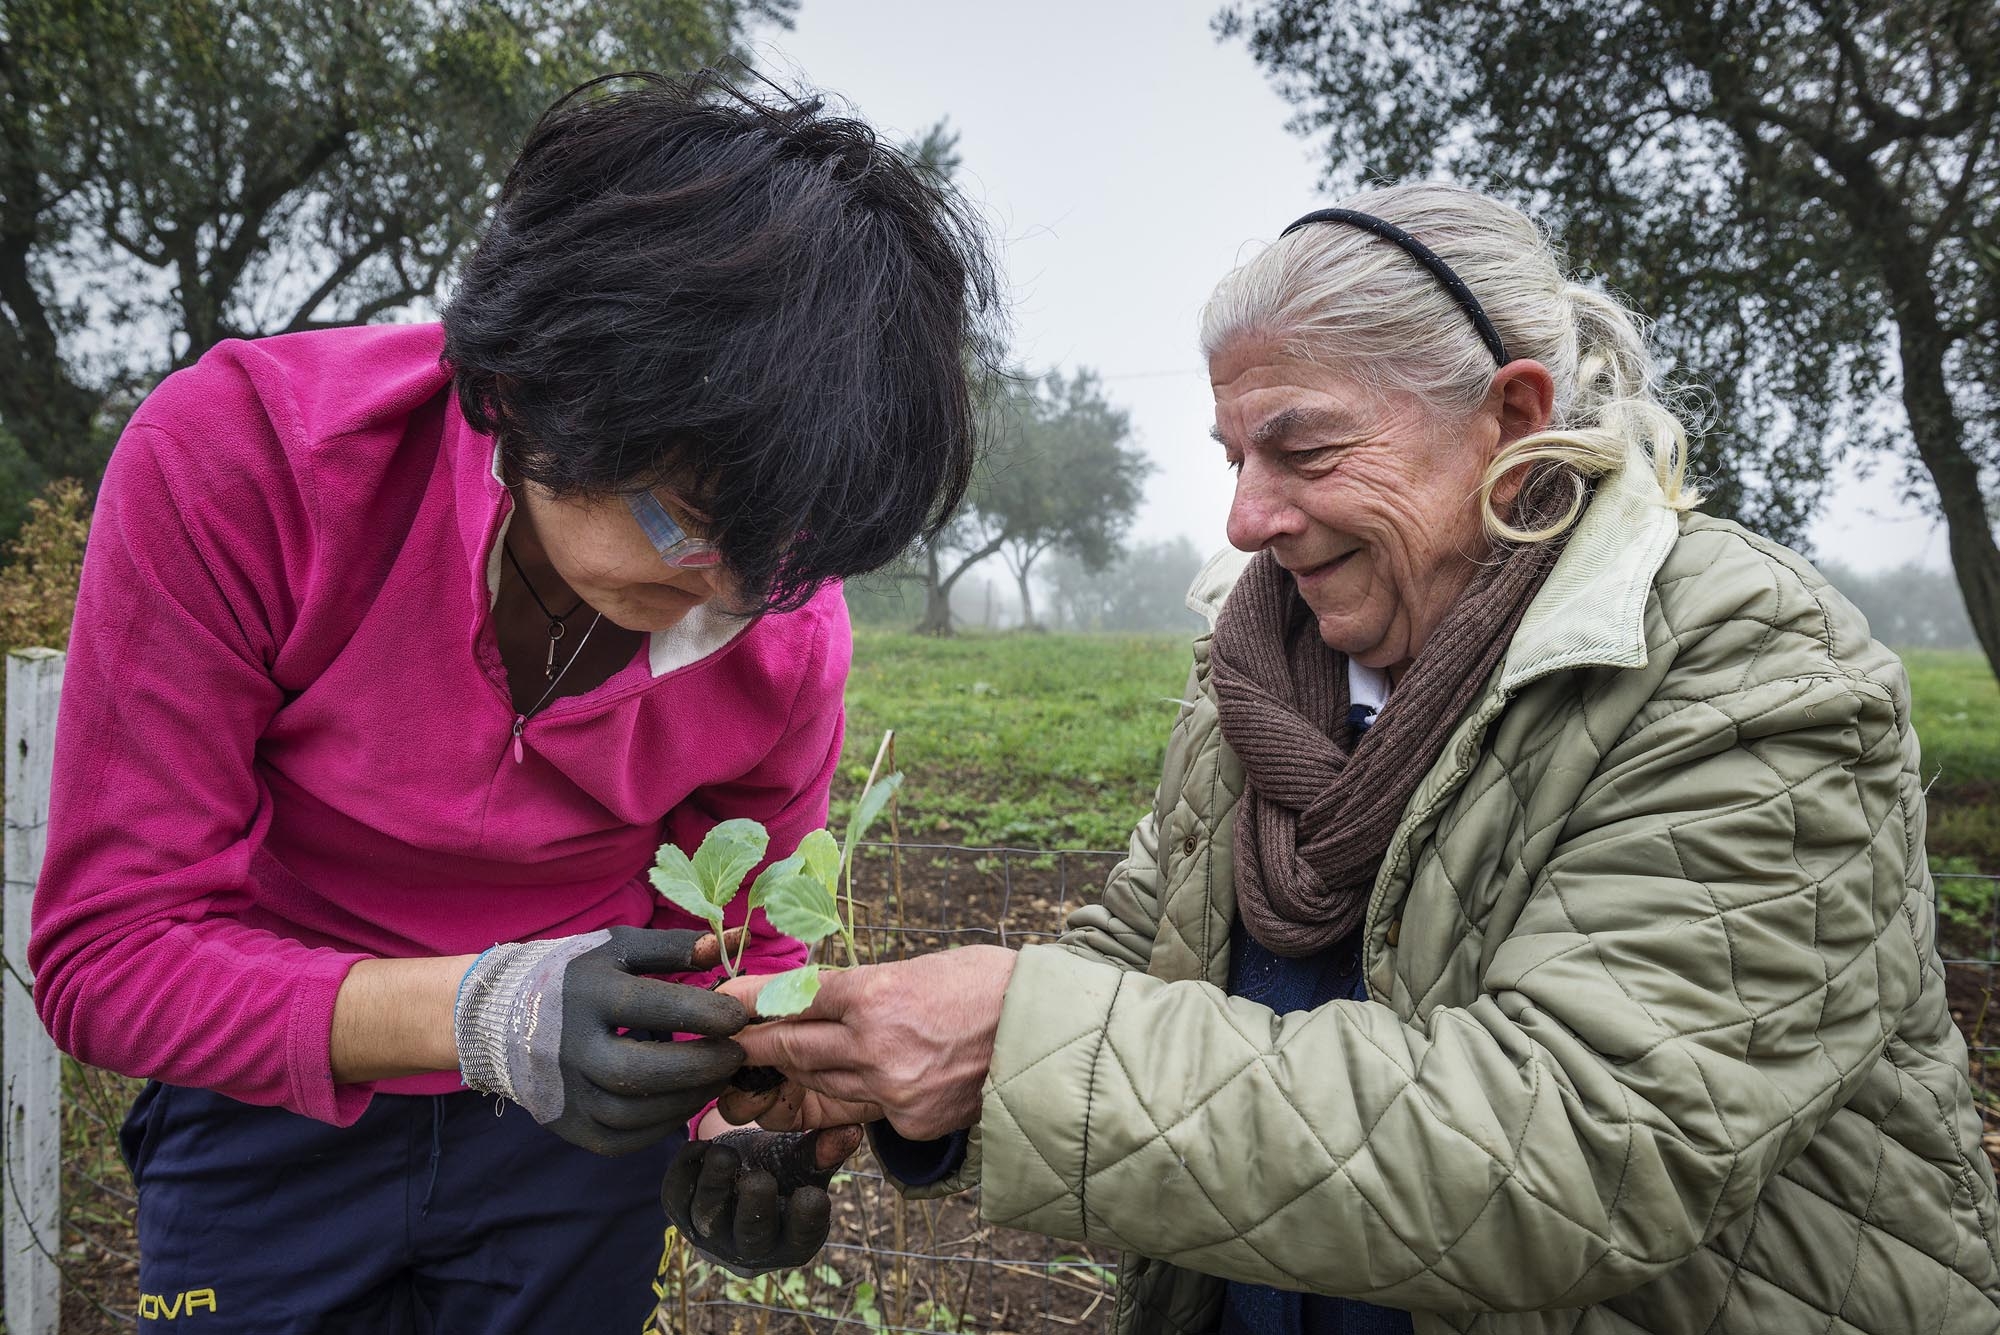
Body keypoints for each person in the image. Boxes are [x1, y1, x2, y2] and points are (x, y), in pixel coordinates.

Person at [720, 183, 2000, 1334]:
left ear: (1508, 416)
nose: (1244, 515)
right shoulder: (1261, 671)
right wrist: (866, 1080)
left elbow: (1580, 1146)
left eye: (1303, 447)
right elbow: (1140, 958)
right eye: (1233, 458)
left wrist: (1013, 1040)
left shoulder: (1743, 672)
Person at [29, 69, 996, 1333]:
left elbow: (743, 944)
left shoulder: (782, 626)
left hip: (577, 1137)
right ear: (529, 388)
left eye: (794, 546)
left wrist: (734, 1121)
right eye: (695, 523)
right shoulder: (248, 466)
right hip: (263, 1096)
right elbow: (112, 954)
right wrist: (486, 1009)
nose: (746, 590)